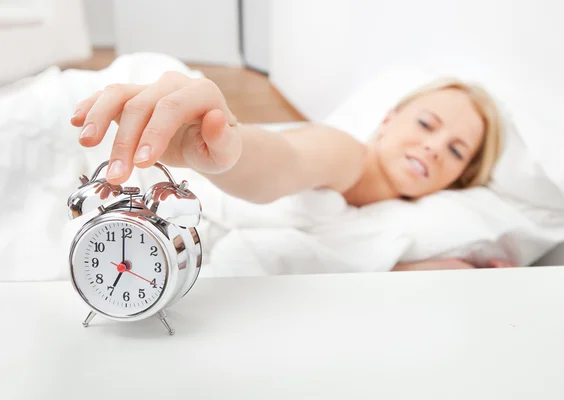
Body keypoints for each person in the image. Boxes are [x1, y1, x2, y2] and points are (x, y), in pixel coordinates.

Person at [70, 71, 516, 271]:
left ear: (459, 179)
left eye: (456, 152)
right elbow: (286, 162)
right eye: (426, 124)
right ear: (387, 119)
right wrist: (232, 152)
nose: (434, 148)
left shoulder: (397, 223)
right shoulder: (347, 153)